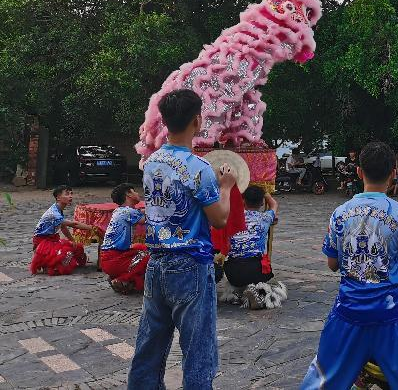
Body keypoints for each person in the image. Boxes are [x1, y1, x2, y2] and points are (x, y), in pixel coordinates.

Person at [301, 142, 398, 389]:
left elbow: (332, 263)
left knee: (323, 381)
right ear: (393, 174)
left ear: (358, 172)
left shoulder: (340, 213)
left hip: (349, 312)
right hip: (394, 315)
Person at [128, 88, 238, 390]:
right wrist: (226, 186)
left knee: (150, 345)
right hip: (190, 265)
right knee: (198, 351)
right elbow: (219, 219)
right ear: (197, 121)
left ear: (164, 122)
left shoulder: (151, 163)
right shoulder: (199, 168)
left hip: (157, 263)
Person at [30, 186, 93, 276]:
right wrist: (92, 228)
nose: (70, 196)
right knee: (66, 255)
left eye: (71, 194)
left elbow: (63, 227)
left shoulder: (58, 209)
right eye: (67, 194)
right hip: (43, 241)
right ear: (58, 197)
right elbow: (73, 224)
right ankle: (46, 262)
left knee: (76, 247)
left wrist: (72, 239)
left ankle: (48, 261)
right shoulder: (54, 213)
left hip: (52, 239)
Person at [224, 186, 278, 290]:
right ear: (262, 203)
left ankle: (238, 292)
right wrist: (265, 191)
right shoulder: (265, 218)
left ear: (243, 201)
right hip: (255, 271)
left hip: (232, 271)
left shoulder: (230, 217)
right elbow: (274, 204)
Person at [100, 183, 149, 293]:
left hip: (110, 257)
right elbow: (149, 219)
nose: (137, 193)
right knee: (150, 255)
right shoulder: (128, 212)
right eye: (134, 191)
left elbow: (141, 212)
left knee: (141, 247)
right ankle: (122, 279)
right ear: (128, 194)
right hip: (114, 259)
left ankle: (119, 276)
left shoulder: (120, 210)